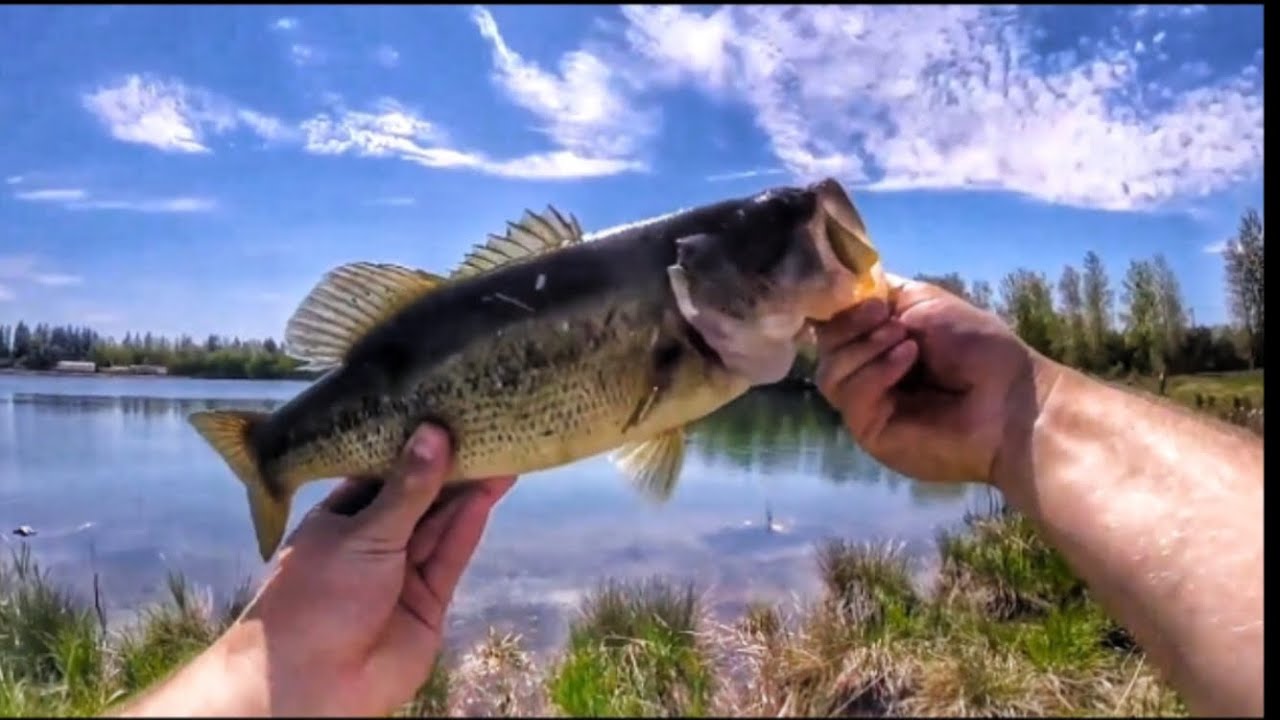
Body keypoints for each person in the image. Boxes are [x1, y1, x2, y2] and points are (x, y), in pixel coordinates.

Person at [114, 273, 1264, 718]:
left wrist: (270, 670)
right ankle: (271, 456)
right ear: (696, 283)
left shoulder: (702, 353)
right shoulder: (680, 343)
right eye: (768, 249)